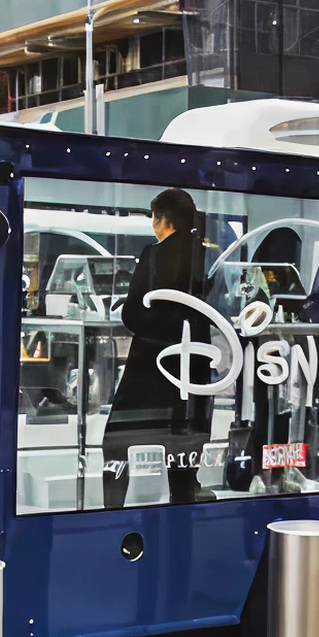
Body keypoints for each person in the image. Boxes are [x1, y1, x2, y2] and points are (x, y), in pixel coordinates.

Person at [103, 188, 214, 508]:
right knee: (183, 446)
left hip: (151, 361)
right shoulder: (204, 255)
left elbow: (132, 313)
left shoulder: (153, 255)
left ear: (164, 220)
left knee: (116, 442)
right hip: (192, 362)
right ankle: (183, 509)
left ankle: (113, 511)